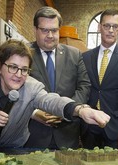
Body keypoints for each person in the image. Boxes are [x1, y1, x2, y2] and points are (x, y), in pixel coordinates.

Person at [0, 39, 110, 149]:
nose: (19, 74)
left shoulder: (32, 87)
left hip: (12, 147)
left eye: (24, 69)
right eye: (13, 67)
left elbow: (52, 101)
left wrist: (80, 110)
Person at [25, 6, 91, 150]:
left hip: (67, 132)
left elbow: (84, 86)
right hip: (34, 133)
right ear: (35, 30)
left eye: (54, 30)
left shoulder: (74, 54)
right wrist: (34, 113)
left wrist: (67, 109)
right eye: (44, 30)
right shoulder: (24, 54)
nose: (50, 35)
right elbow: (15, 89)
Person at [81, 9, 118, 150]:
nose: (111, 30)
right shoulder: (86, 57)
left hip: (116, 129)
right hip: (89, 126)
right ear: (99, 27)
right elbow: (82, 89)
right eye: (107, 26)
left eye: (115, 26)